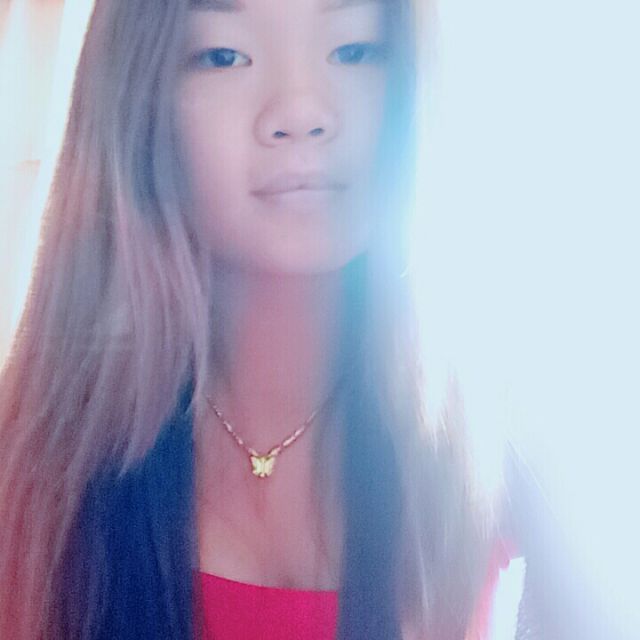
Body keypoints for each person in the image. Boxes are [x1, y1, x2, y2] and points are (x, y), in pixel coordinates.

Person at [0, 0, 519, 638]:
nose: (300, 110)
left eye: (354, 49)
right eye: (223, 56)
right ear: (138, 105)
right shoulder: (36, 472)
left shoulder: (493, 446)